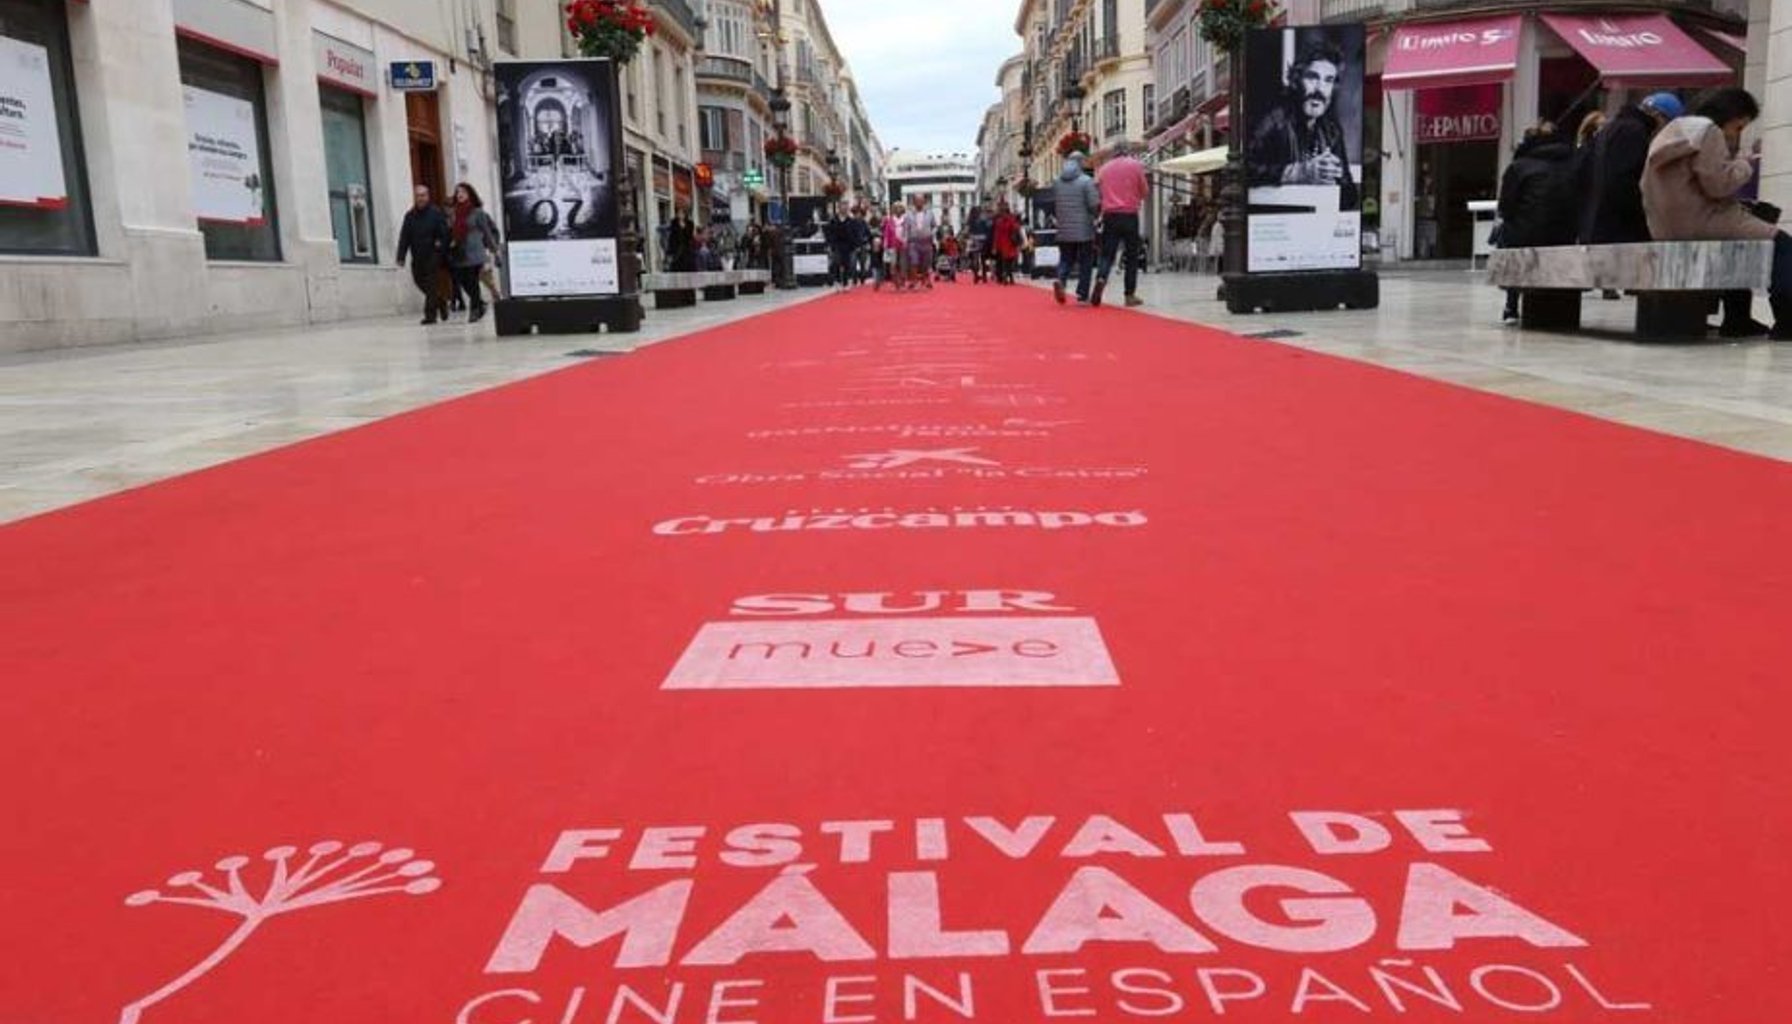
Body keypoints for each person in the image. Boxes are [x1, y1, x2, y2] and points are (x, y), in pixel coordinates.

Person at [1642, 87, 1789, 339]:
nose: (1735, 135)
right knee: (1782, 243)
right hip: (1702, 219)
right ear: (1730, 115)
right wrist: (1744, 165)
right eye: (1738, 128)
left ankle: (1738, 319)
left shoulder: (1671, 131)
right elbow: (1718, 185)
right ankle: (1788, 322)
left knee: (1745, 241)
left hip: (1666, 225)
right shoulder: (1708, 131)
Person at [1245, 40, 1359, 211]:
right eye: (1312, 77)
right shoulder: (1273, 119)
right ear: (1296, 80)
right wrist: (1298, 173)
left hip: (1313, 228)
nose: (1320, 89)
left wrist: (1337, 176)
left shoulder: (1332, 130)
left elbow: (1349, 198)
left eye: (1328, 80)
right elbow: (1245, 170)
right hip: (1277, 228)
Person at [1495, 122, 1577, 322]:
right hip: (1565, 236)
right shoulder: (1573, 163)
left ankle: (1511, 304)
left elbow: (1506, 207)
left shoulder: (1519, 167)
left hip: (1526, 236)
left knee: (1508, 234)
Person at [1578, 92, 1682, 246]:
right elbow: (1623, 182)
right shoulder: (1634, 132)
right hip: (1618, 232)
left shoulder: (1612, 128)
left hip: (1596, 227)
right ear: (1660, 117)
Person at [1093, 140, 1150, 307]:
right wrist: (1134, 197)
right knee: (1131, 256)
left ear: (1113, 152)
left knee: (1107, 254)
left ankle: (1101, 278)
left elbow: (1098, 190)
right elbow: (1145, 191)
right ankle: (1129, 295)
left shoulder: (1104, 169)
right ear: (1127, 150)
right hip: (1130, 215)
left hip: (1110, 215)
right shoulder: (1136, 165)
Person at [396, 185, 451, 325]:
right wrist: (401, 256)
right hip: (417, 255)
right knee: (419, 281)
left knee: (431, 284)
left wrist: (440, 247)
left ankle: (430, 315)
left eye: (423, 195)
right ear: (415, 197)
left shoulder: (436, 213)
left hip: (433, 254)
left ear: (428, 196)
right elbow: (404, 237)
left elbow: (444, 233)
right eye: (418, 195)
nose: (421, 198)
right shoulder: (409, 216)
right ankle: (441, 301)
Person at [447, 182, 501, 323]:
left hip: (475, 253)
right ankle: (480, 304)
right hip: (460, 253)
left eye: (463, 192)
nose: (460, 194)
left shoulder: (478, 212)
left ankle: (475, 310)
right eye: (458, 192)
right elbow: (451, 231)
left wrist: (495, 252)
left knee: (472, 281)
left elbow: (487, 233)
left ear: (470, 194)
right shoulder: (454, 213)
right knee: (463, 281)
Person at [1052, 151, 1101, 305]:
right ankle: (1082, 295)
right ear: (1080, 162)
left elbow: (1056, 203)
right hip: (1084, 229)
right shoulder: (1086, 181)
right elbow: (1094, 205)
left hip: (1064, 229)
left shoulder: (1058, 182)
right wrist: (1096, 214)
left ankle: (1061, 279)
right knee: (1085, 261)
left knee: (1066, 258)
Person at [902, 196, 938, 290]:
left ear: (924, 202)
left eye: (921, 201)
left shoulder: (929, 213)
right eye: (917, 201)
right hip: (913, 241)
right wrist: (905, 240)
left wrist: (932, 234)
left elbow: (934, 226)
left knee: (926, 263)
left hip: (926, 241)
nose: (919, 203)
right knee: (914, 262)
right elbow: (905, 228)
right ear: (914, 202)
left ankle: (926, 280)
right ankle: (914, 280)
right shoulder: (908, 214)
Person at [991, 201, 1022, 285]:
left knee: (1005, 262)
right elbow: (1017, 229)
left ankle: (1006, 276)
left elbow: (996, 235)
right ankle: (1008, 276)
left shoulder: (999, 221)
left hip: (1003, 244)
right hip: (1010, 244)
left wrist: (995, 246)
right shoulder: (1012, 220)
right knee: (1009, 261)